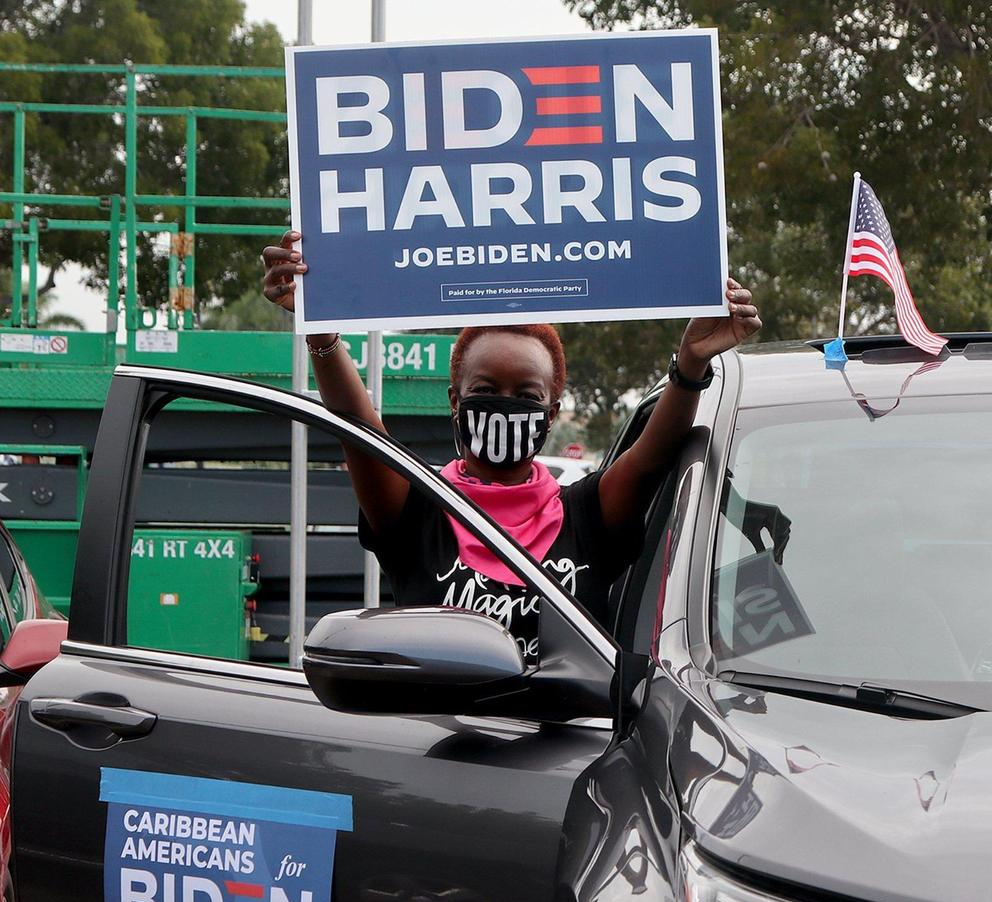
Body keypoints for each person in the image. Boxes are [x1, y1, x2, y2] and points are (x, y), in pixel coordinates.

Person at [261, 229, 761, 662]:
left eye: (526, 396)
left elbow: (653, 455)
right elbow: (359, 427)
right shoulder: (417, 505)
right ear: (454, 400)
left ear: (552, 411)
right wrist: (320, 331)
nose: (505, 406)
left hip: (569, 760)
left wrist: (691, 363)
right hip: (433, 753)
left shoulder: (587, 514)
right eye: (485, 392)